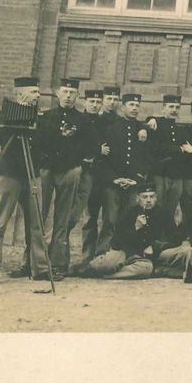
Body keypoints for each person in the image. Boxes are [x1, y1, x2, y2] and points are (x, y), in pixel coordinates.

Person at [0, 77, 51, 286]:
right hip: (9, 174)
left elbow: (45, 140)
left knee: (37, 223)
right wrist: (17, 123)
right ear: (21, 94)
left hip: (32, 175)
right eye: (34, 92)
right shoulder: (4, 114)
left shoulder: (40, 118)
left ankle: (39, 268)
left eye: (38, 92)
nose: (38, 95)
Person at [39, 78, 99, 278]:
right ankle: (33, 261)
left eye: (72, 93)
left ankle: (59, 263)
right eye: (64, 92)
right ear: (57, 93)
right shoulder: (46, 117)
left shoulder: (83, 121)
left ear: (77, 96)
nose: (68, 96)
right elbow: (39, 143)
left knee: (63, 218)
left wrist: (79, 164)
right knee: (39, 215)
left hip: (70, 171)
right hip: (47, 170)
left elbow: (93, 146)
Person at [72, 183, 178, 279]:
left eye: (152, 196)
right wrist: (135, 227)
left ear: (156, 198)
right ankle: (84, 269)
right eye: (144, 197)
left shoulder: (163, 214)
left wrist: (155, 246)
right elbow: (116, 242)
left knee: (146, 268)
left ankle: (106, 275)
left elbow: (174, 238)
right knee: (108, 263)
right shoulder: (129, 213)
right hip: (124, 252)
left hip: (142, 258)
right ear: (137, 198)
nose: (149, 200)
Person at [98, 93, 153, 260]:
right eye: (131, 105)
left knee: (131, 219)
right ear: (123, 108)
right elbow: (104, 159)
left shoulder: (144, 130)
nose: (134, 109)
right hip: (114, 183)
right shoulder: (111, 129)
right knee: (111, 220)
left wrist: (137, 178)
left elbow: (149, 157)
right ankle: (102, 255)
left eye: (137, 106)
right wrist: (115, 178)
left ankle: (128, 254)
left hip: (134, 183)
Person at [79, 85, 121, 263]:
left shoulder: (117, 122)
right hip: (91, 176)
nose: (110, 102)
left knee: (110, 219)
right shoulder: (84, 121)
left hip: (110, 177)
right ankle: (87, 257)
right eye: (93, 101)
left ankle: (101, 256)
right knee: (89, 219)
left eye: (115, 99)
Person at [66, 89, 104, 252]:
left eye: (98, 102)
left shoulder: (106, 122)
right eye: (92, 102)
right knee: (73, 214)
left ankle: (89, 256)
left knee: (93, 216)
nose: (95, 105)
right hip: (81, 171)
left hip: (100, 175)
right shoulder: (78, 120)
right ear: (85, 102)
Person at [145, 94, 185, 217]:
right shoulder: (156, 124)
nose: (174, 110)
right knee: (158, 207)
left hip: (176, 174)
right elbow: (156, 148)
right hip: (160, 173)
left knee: (171, 209)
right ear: (163, 108)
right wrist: (179, 149)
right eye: (171, 106)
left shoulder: (179, 129)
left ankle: (167, 236)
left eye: (177, 107)